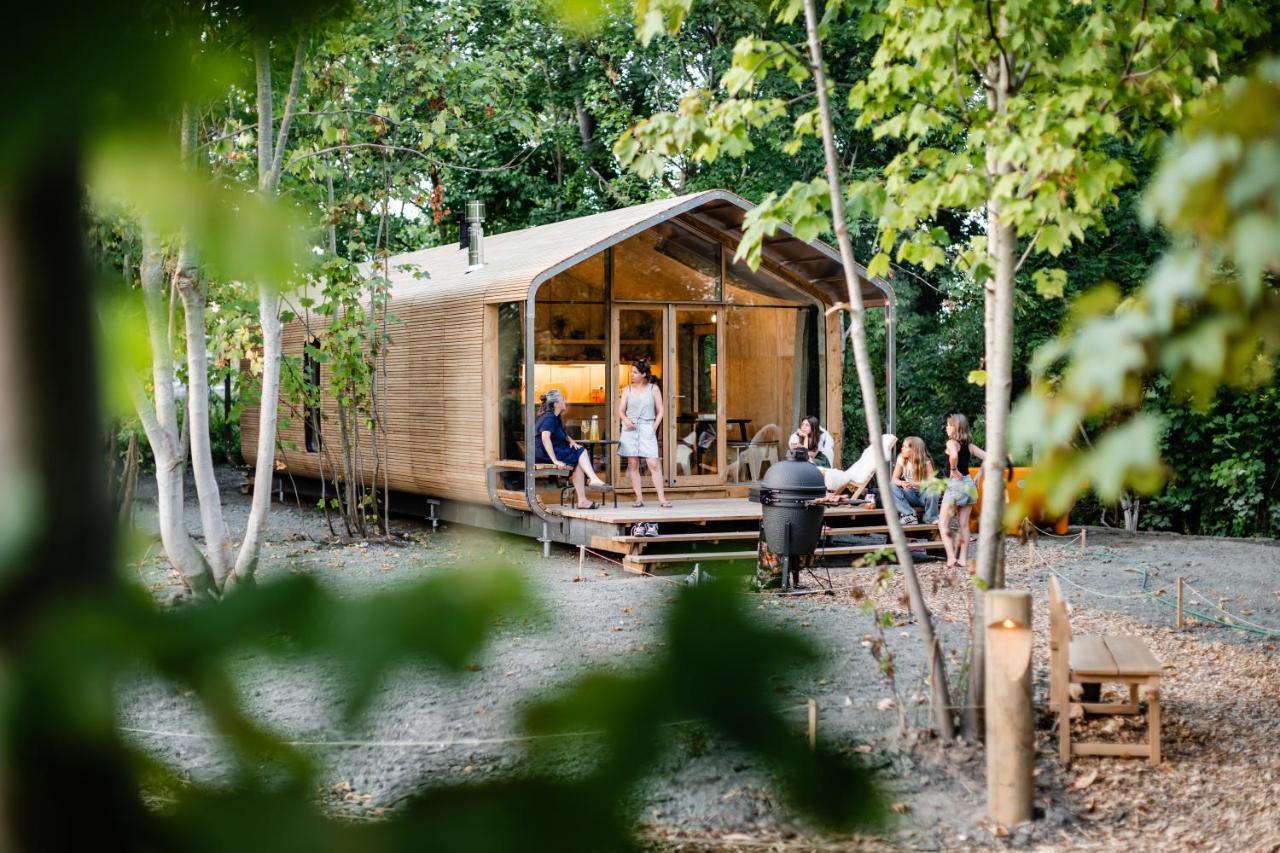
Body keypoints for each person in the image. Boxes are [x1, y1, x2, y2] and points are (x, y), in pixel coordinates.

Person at [535, 389, 609, 509]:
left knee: (578, 462)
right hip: (544, 453)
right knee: (581, 452)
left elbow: (561, 433)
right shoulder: (549, 417)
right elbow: (545, 438)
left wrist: (572, 441)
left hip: (549, 450)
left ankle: (583, 501)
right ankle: (593, 478)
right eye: (563, 399)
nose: (565, 401)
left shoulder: (554, 417)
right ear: (556, 404)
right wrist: (554, 460)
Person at [617, 358, 672, 508]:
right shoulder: (627, 390)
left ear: (644, 374)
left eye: (635, 372)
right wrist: (626, 420)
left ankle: (662, 498)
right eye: (631, 372)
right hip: (630, 429)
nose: (632, 375)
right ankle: (639, 498)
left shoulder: (653, 388)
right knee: (633, 464)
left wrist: (654, 427)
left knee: (653, 463)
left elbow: (661, 410)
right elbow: (620, 410)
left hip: (647, 426)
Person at [937, 413, 986, 569]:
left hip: (955, 484)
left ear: (956, 427)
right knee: (964, 525)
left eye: (948, 425)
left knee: (943, 524)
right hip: (969, 485)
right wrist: (978, 475)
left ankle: (951, 558)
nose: (946, 427)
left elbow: (954, 455)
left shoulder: (951, 443)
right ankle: (963, 559)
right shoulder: (970, 446)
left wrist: (953, 469)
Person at [891, 436, 940, 525]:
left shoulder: (926, 461)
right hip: (909, 495)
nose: (902, 448)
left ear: (913, 450)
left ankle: (931, 517)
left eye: (905, 447)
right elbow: (894, 479)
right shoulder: (901, 459)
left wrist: (916, 483)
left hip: (923, 496)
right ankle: (909, 514)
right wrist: (902, 483)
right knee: (890, 486)